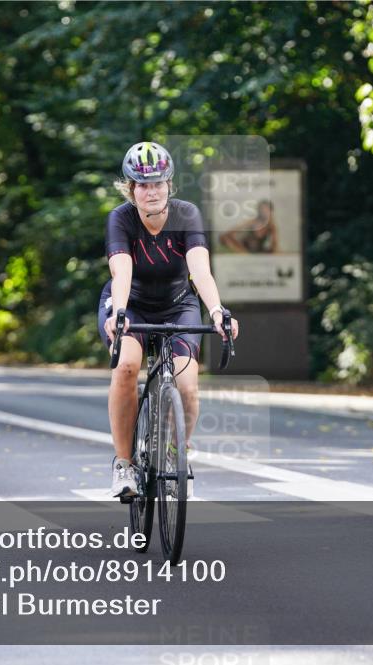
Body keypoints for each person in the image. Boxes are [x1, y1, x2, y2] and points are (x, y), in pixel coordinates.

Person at [99, 141, 239, 497]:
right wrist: (117, 312)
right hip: (130, 304)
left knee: (188, 386)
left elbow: (200, 270)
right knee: (127, 367)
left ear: (169, 185)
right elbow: (122, 271)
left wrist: (217, 310)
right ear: (131, 188)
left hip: (179, 304)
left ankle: (178, 454)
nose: (151, 191)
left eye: (158, 183)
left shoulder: (186, 215)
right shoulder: (121, 219)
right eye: (143, 185)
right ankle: (124, 465)